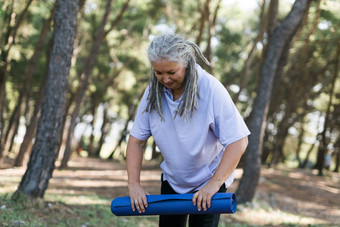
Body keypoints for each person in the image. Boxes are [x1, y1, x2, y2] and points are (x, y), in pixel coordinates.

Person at [126, 34, 250, 227]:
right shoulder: (153, 92)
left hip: (208, 181)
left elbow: (239, 141)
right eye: (158, 73)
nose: (165, 79)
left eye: (171, 72)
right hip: (173, 180)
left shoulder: (210, 89)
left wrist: (214, 185)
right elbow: (136, 141)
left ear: (186, 64)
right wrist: (134, 184)